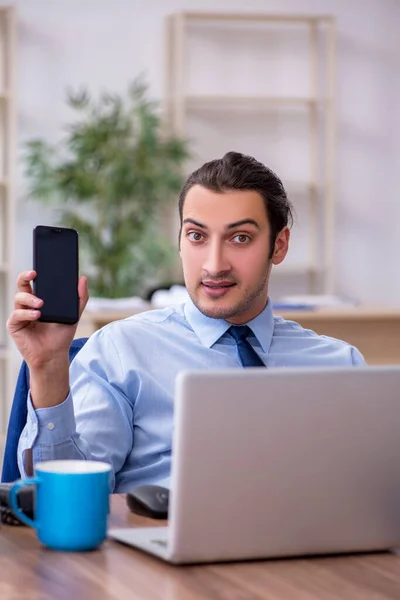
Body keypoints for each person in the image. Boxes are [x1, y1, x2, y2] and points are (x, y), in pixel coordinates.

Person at [7, 151, 365, 492]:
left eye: (240, 238)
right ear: (179, 240)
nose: (214, 264)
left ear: (279, 245)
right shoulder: (122, 350)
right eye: (197, 236)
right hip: (158, 546)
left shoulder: (340, 365)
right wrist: (49, 367)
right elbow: (63, 494)